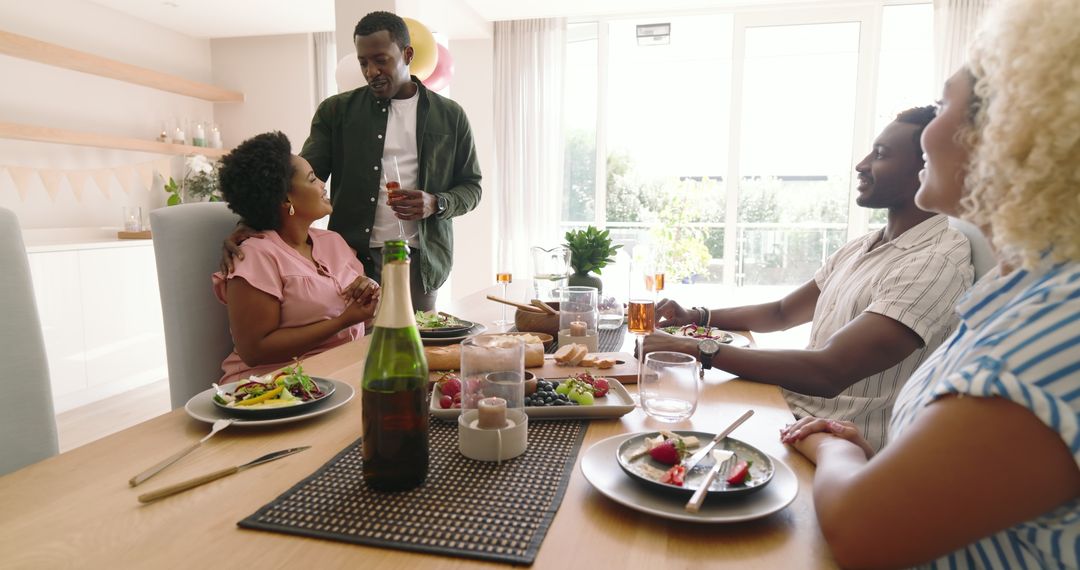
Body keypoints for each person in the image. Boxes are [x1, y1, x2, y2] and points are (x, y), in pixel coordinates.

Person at [781, 0, 1080, 566]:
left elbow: (861, 533)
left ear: (1012, 128)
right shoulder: (1024, 293)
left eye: (943, 106)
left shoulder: (1057, 325)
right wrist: (872, 461)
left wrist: (833, 446)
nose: (925, 136)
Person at [644, 107, 975, 452]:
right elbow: (781, 313)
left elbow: (829, 372)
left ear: (927, 169)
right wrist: (697, 317)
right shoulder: (865, 245)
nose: (861, 165)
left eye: (880, 155)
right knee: (657, 413)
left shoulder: (934, 263)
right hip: (789, 414)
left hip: (835, 446)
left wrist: (697, 349)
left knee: (661, 421)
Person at [222, 11, 482, 312]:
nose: (371, 71)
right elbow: (298, 177)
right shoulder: (336, 112)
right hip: (351, 258)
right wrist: (249, 223)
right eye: (363, 62)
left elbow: (472, 187)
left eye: (381, 60)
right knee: (355, 339)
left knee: (416, 339)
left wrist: (436, 203)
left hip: (422, 262)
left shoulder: (450, 116)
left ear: (407, 54)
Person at [212, 132, 380, 383]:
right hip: (271, 387)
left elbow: (366, 317)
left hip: (338, 374)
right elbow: (254, 350)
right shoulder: (256, 256)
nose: (323, 184)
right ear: (286, 198)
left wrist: (371, 294)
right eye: (312, 178)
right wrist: (343, 321)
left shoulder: (333, 242)